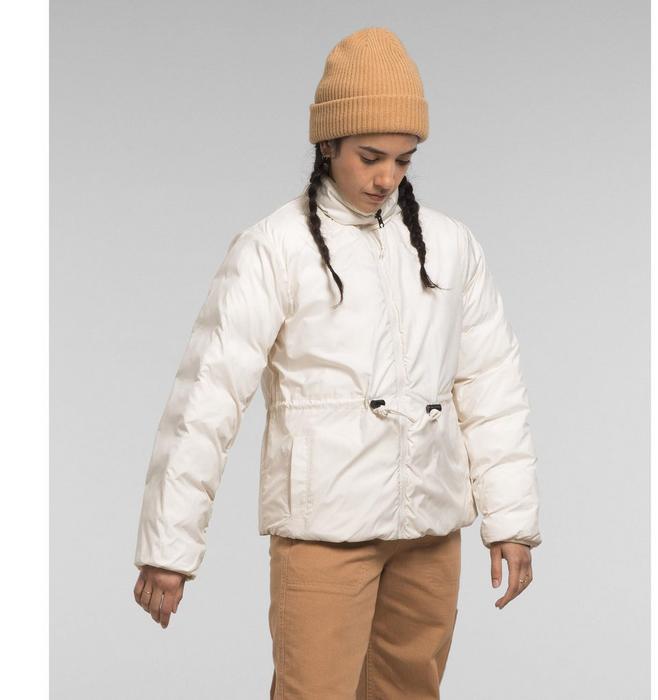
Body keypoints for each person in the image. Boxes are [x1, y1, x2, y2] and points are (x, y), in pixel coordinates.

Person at [132, 26, 542, 699]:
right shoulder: (274, 247)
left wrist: (512, 521)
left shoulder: (451, 245)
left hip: (430, 533)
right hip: (323, 532)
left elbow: (491, 385)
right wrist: (168, 547)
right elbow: (207, 396)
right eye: (370, 156)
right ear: (327, 144)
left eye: (404, 160)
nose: (386, 178)